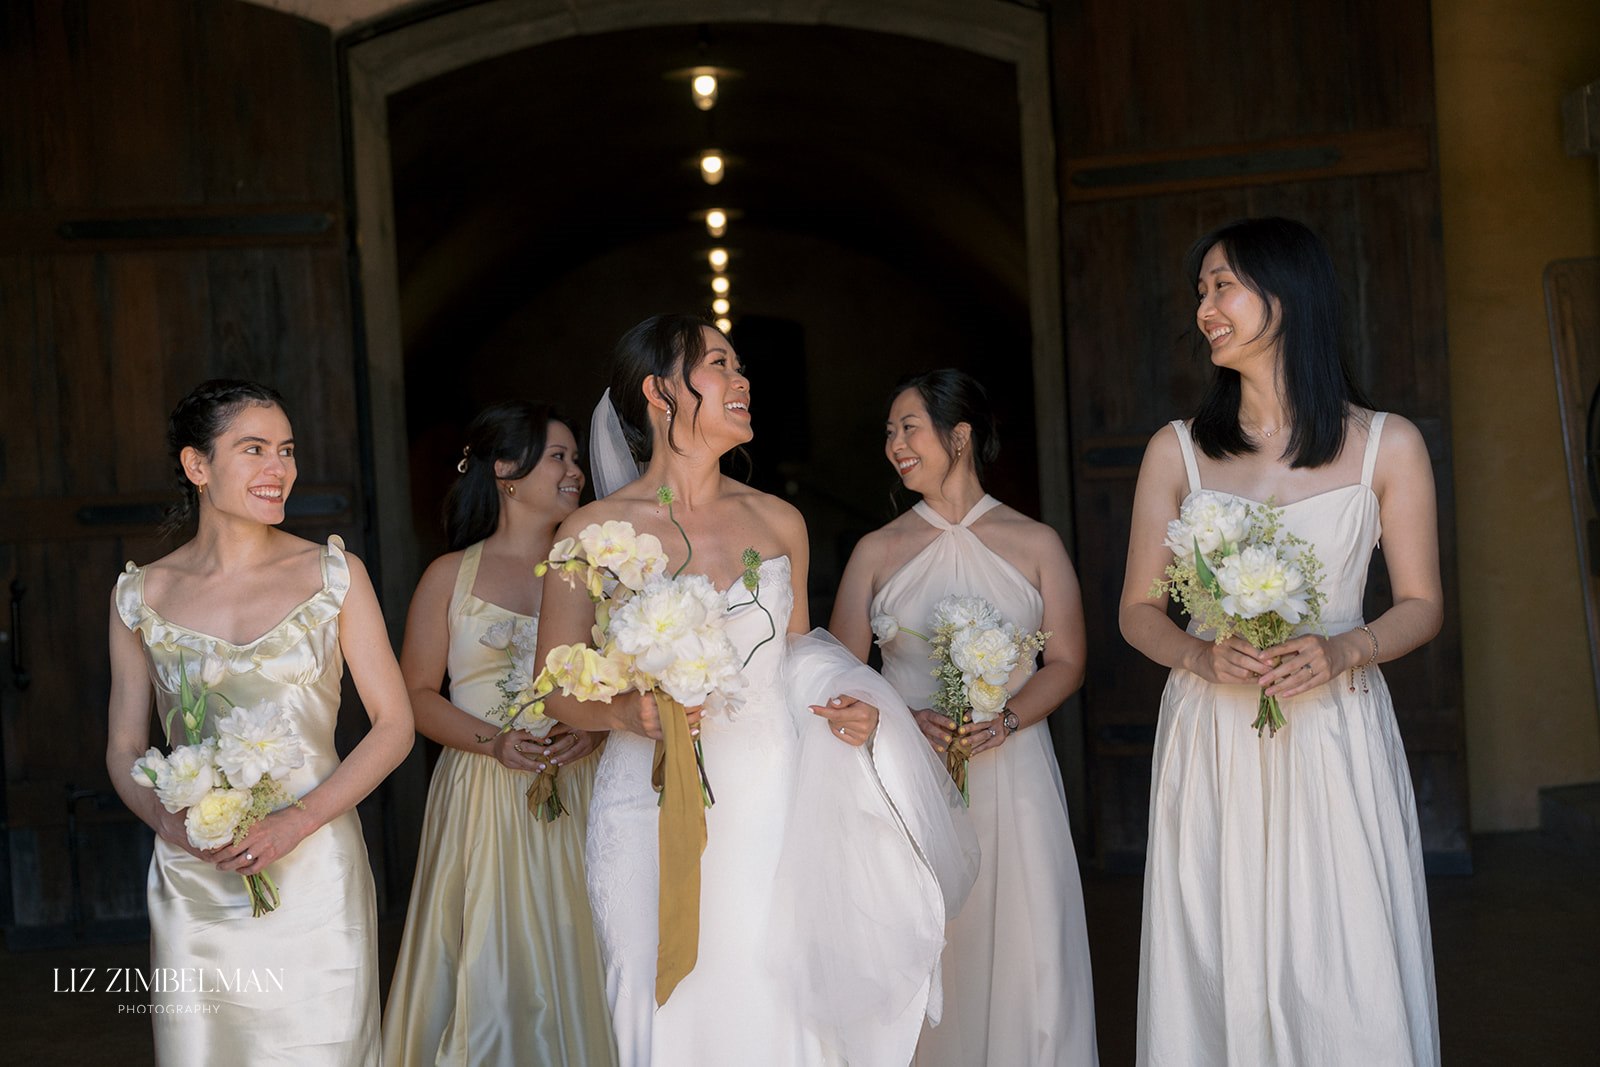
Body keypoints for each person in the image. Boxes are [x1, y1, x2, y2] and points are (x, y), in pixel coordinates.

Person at [535, 315, 978, 1067]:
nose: (742, 381)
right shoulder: (592, 529)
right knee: (659, 1005)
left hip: (770, 799)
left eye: (741, 366)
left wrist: (853, 699)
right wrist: (625, 711)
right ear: (658, 392)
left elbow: (798, 652)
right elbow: (554, 685)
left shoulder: (779, 521)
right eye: (719, 365)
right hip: (645, 799)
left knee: (772, 1005)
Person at [1120, 217, 1442, 1066]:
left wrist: (1347, 649)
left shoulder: (1387, 443)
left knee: (1342, 955)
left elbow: (1421, 603)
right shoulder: (1177, 452)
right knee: (1217, 954)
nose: (1205, 308)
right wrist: (1198, 653)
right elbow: (1138, 612)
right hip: (1214, 736)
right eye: (1201, 291)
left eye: (1221, 285)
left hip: (1333, 730)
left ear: (1287, 295)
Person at [106, 380, 414, 1064]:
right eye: (254, 449)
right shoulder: (140, 594)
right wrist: (165, 821)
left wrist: (297, 821)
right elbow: (125, 747)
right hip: (195, 877)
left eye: (287, 450)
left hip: (315, 876)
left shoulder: (335, 575)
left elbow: (394, 725)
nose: (280, 469)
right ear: (198, 465)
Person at [830, 368, 1100, 1066]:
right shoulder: (875, 550)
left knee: (1027, 947)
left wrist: (1007, 720)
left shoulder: (1036, 542)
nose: (894, 444)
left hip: (1017, 778)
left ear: (960, 435)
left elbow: (1067, 660)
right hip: (908, 781)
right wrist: (900, 717)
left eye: (908, 427)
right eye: (889, 432)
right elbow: (836, 675)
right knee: (928, 945)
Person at [381, 402, 616, 1065]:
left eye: (574, 457)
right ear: (507, 472)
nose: (577, 472)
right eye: (559, 457)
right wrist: (494, 742)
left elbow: (623, 680)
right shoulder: (448, 576)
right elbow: (415, 696)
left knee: (586, 941)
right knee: (489, 949)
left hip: (583, 786)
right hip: (484, 793)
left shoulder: (598, 571)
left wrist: (595, 736)